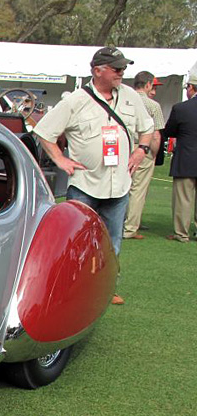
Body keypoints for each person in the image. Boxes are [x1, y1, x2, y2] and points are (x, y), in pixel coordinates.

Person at [33, 46, 154, 306]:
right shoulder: (75, 100)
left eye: (123, 68)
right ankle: (70, 289)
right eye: (117, 68)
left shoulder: (131, 97)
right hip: (84, 185)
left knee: (112, 242)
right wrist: (60, 159)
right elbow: (44, 132)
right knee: (76, 240)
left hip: (119, 185)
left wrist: (141, 151)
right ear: (98, 70)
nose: (122, 73)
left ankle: (107, 288)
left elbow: (147, 128)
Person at [122, 71, 164, 240]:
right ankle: (130, 227)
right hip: (142, 148)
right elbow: (155, 134)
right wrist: (153, 153)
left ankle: (120, 221)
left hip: (123, 147)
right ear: (147, 85)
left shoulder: (124, 100)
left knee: (122, 186)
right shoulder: (153, 106)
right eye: (152, 86)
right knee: (138, 190)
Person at [162, 72, 197, 243]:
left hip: (186, 159)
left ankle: (181, 233)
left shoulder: (181, 108)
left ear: (191, 88)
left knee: (183, 199)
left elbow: (169, 131)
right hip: (188, 157)